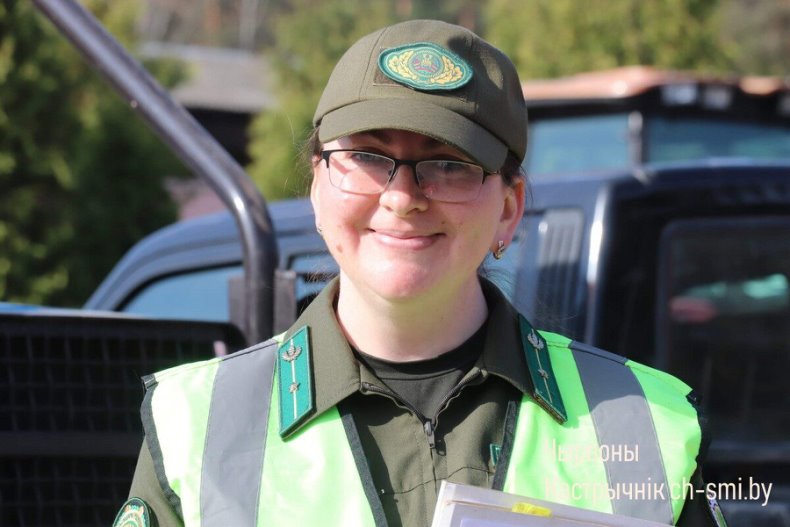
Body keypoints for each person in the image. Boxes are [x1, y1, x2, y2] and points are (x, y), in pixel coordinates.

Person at [115, 19, 726, 527]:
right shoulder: (196, 423)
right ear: (318, 188)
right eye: (365, 157)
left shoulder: (648, 424)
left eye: (448, 165)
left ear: (508, 209)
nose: (402, 197)